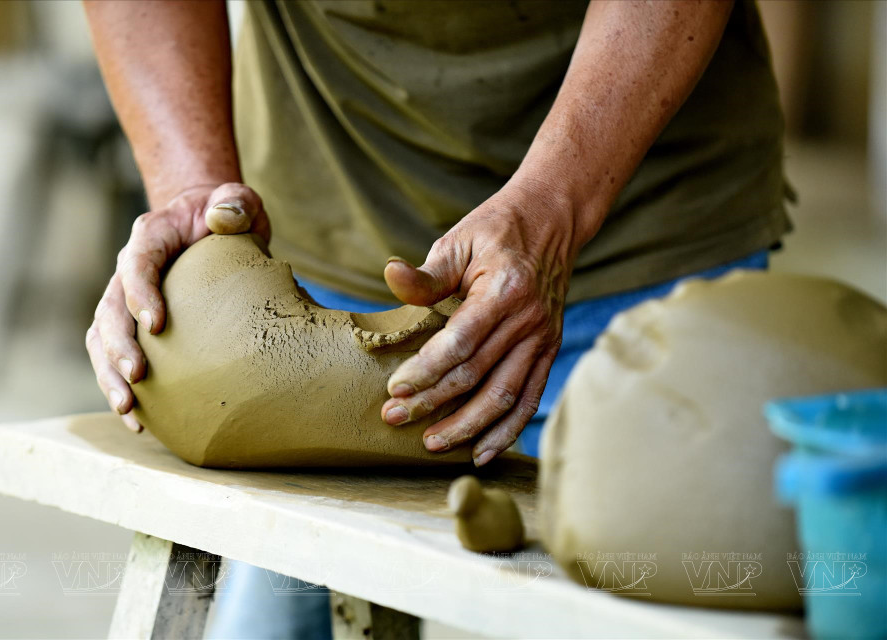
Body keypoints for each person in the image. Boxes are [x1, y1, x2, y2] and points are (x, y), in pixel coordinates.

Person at [82, 1, 789, 637]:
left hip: (642, 201)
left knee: (651, 589)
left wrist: (558, 201)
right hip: (329, 192)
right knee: (269, 607)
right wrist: (191, 188)